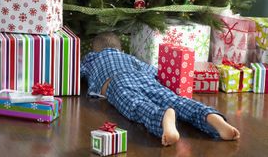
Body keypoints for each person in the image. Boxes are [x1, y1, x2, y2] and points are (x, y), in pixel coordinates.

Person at [81, 32, 240, 146]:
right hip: (143, 77)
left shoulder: (91, 59)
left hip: (117, 82)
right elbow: (153, 71)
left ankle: (163, 116)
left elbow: (77, 72)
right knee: (174, 100)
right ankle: (211, 118)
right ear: (121, 50)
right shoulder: (129, 57)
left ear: (95, 51)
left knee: (136, 104)